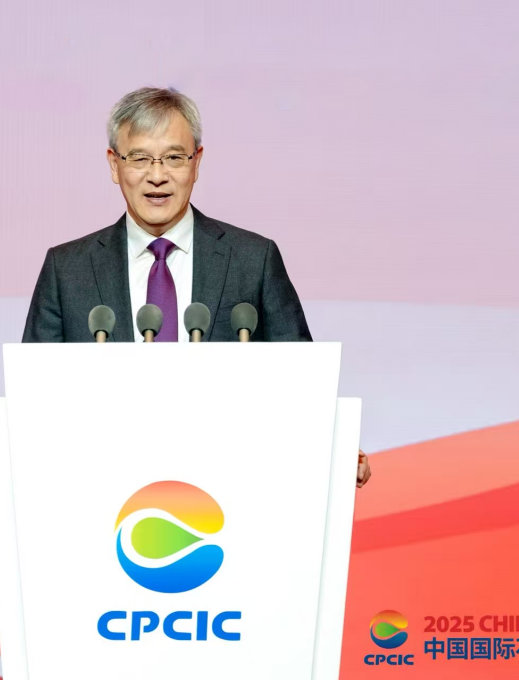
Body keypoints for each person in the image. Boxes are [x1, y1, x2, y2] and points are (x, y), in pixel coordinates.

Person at [22, 86, 371, 487]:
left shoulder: (252, 260)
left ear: (197, 161)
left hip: (227, 491)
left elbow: (301, 386)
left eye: (174, 157)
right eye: (140, 158)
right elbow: (34, 400)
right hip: (105, 488)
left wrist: (334, 448)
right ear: (114, 165)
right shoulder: (68, 270)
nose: (157, 176)